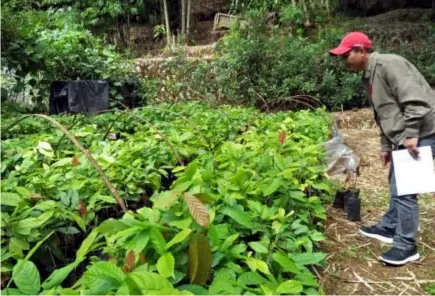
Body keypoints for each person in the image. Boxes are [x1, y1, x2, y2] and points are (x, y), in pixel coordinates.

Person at [329, 32, 435, 265]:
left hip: (424, 131)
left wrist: (411, 134)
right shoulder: (369, 75)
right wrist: (386, 146)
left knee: (406, 189)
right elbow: (384, 114)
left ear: (361, 51)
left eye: (346, 55)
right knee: (396, 181)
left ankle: (406, 246)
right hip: (405, 134)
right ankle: (389, 226)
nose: (343, 60)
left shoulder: (390, 64)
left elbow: (416, 101)